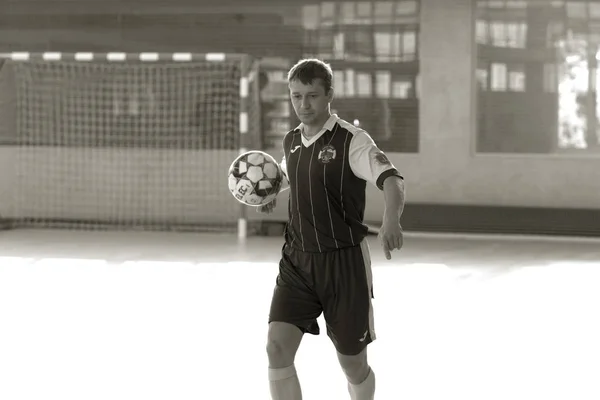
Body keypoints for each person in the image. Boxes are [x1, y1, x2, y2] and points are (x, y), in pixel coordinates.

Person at [259, 58, 405, 400]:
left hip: (343, 265)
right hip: (297, 262)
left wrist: (391, 219)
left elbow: (391, 179)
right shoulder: (292, 140)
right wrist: (269, 191)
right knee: (276, 348)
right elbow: (289, 172)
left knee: (352, 364)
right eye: (296, 96)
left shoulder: (352, 141)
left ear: (329, 96)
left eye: (311, 96)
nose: (303, 105)